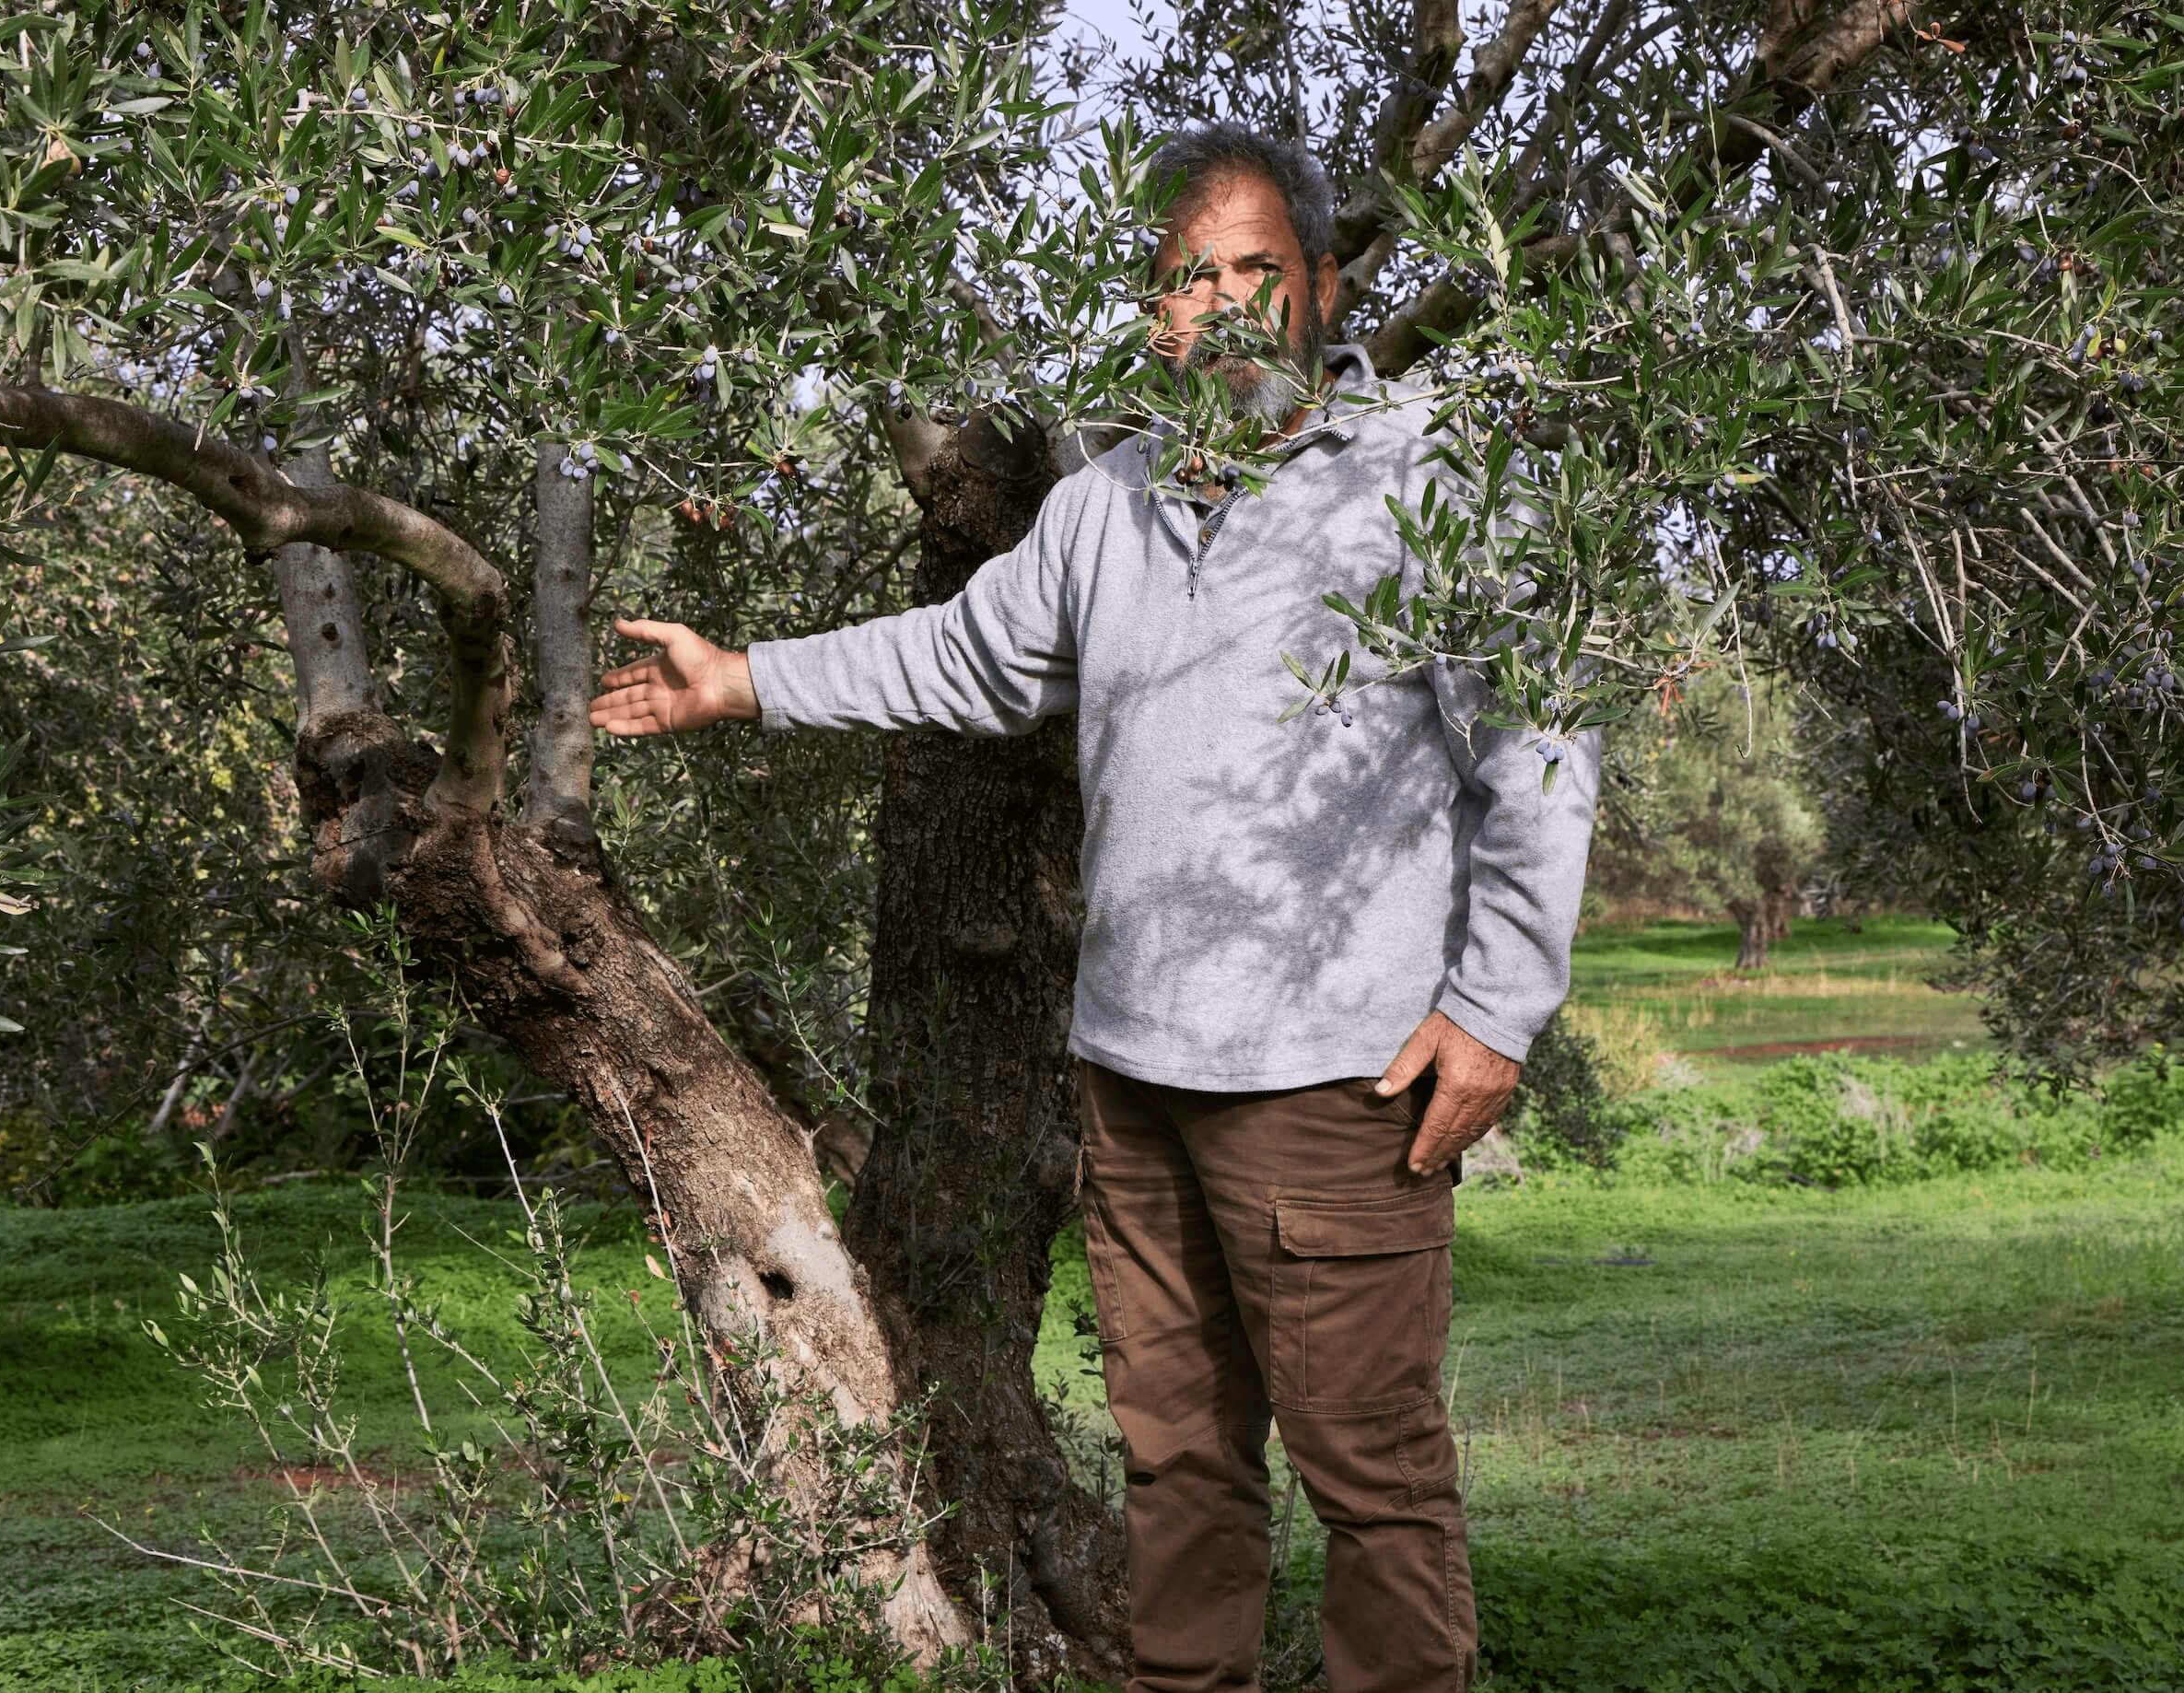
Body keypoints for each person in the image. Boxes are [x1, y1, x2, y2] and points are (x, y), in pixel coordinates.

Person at [590, 123, 1595, 1693]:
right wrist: (746, 681)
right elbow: (962, 657)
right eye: (1193, 279)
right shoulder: (1106, 507)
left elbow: (1541, 737)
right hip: (1135, 1081)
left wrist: (1497, 1009)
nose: (1230, 308)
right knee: (1180, 1477)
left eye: (1261, 270)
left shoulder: (1429, 480)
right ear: (1153, 313)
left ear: (1325, 286)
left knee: (1374, 1484)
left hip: (1341, 1082)